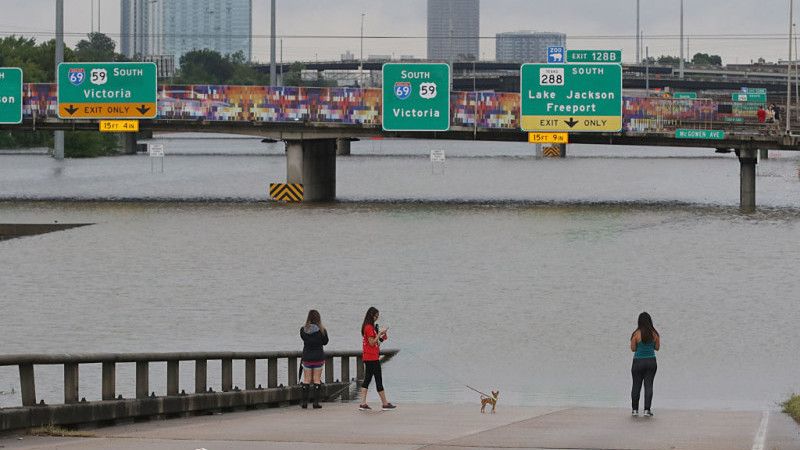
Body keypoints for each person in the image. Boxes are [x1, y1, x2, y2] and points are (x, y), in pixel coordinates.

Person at [358, 307, 396, 411]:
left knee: (367, 379)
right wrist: (379, 333)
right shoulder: (369, 327)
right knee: (378, 379)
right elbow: (371, 343)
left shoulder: (370, 327)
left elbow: (376, 343)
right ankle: (385, 403)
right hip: (371, 358)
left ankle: (363, 403)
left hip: (370, 356)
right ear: (372, 316)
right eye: (376, 316)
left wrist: (382, 337)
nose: (377, 318)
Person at [630, 312, 660, 417]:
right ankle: (647, 410)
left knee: (636, 385)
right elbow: (657, 348)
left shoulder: (636, 334)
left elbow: (633, 348)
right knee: (649, 386)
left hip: (638, 362)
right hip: (651, 362)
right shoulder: (655, 333)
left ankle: (635, 410)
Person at [300, 309, 328, 409]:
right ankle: (315, 403)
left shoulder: (303, 330)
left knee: (306, 379)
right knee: (317, 379)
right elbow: (325, 342)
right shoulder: (322, 330)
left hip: (307, 357)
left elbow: (304, 339)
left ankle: (304, 403)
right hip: (318, 357)